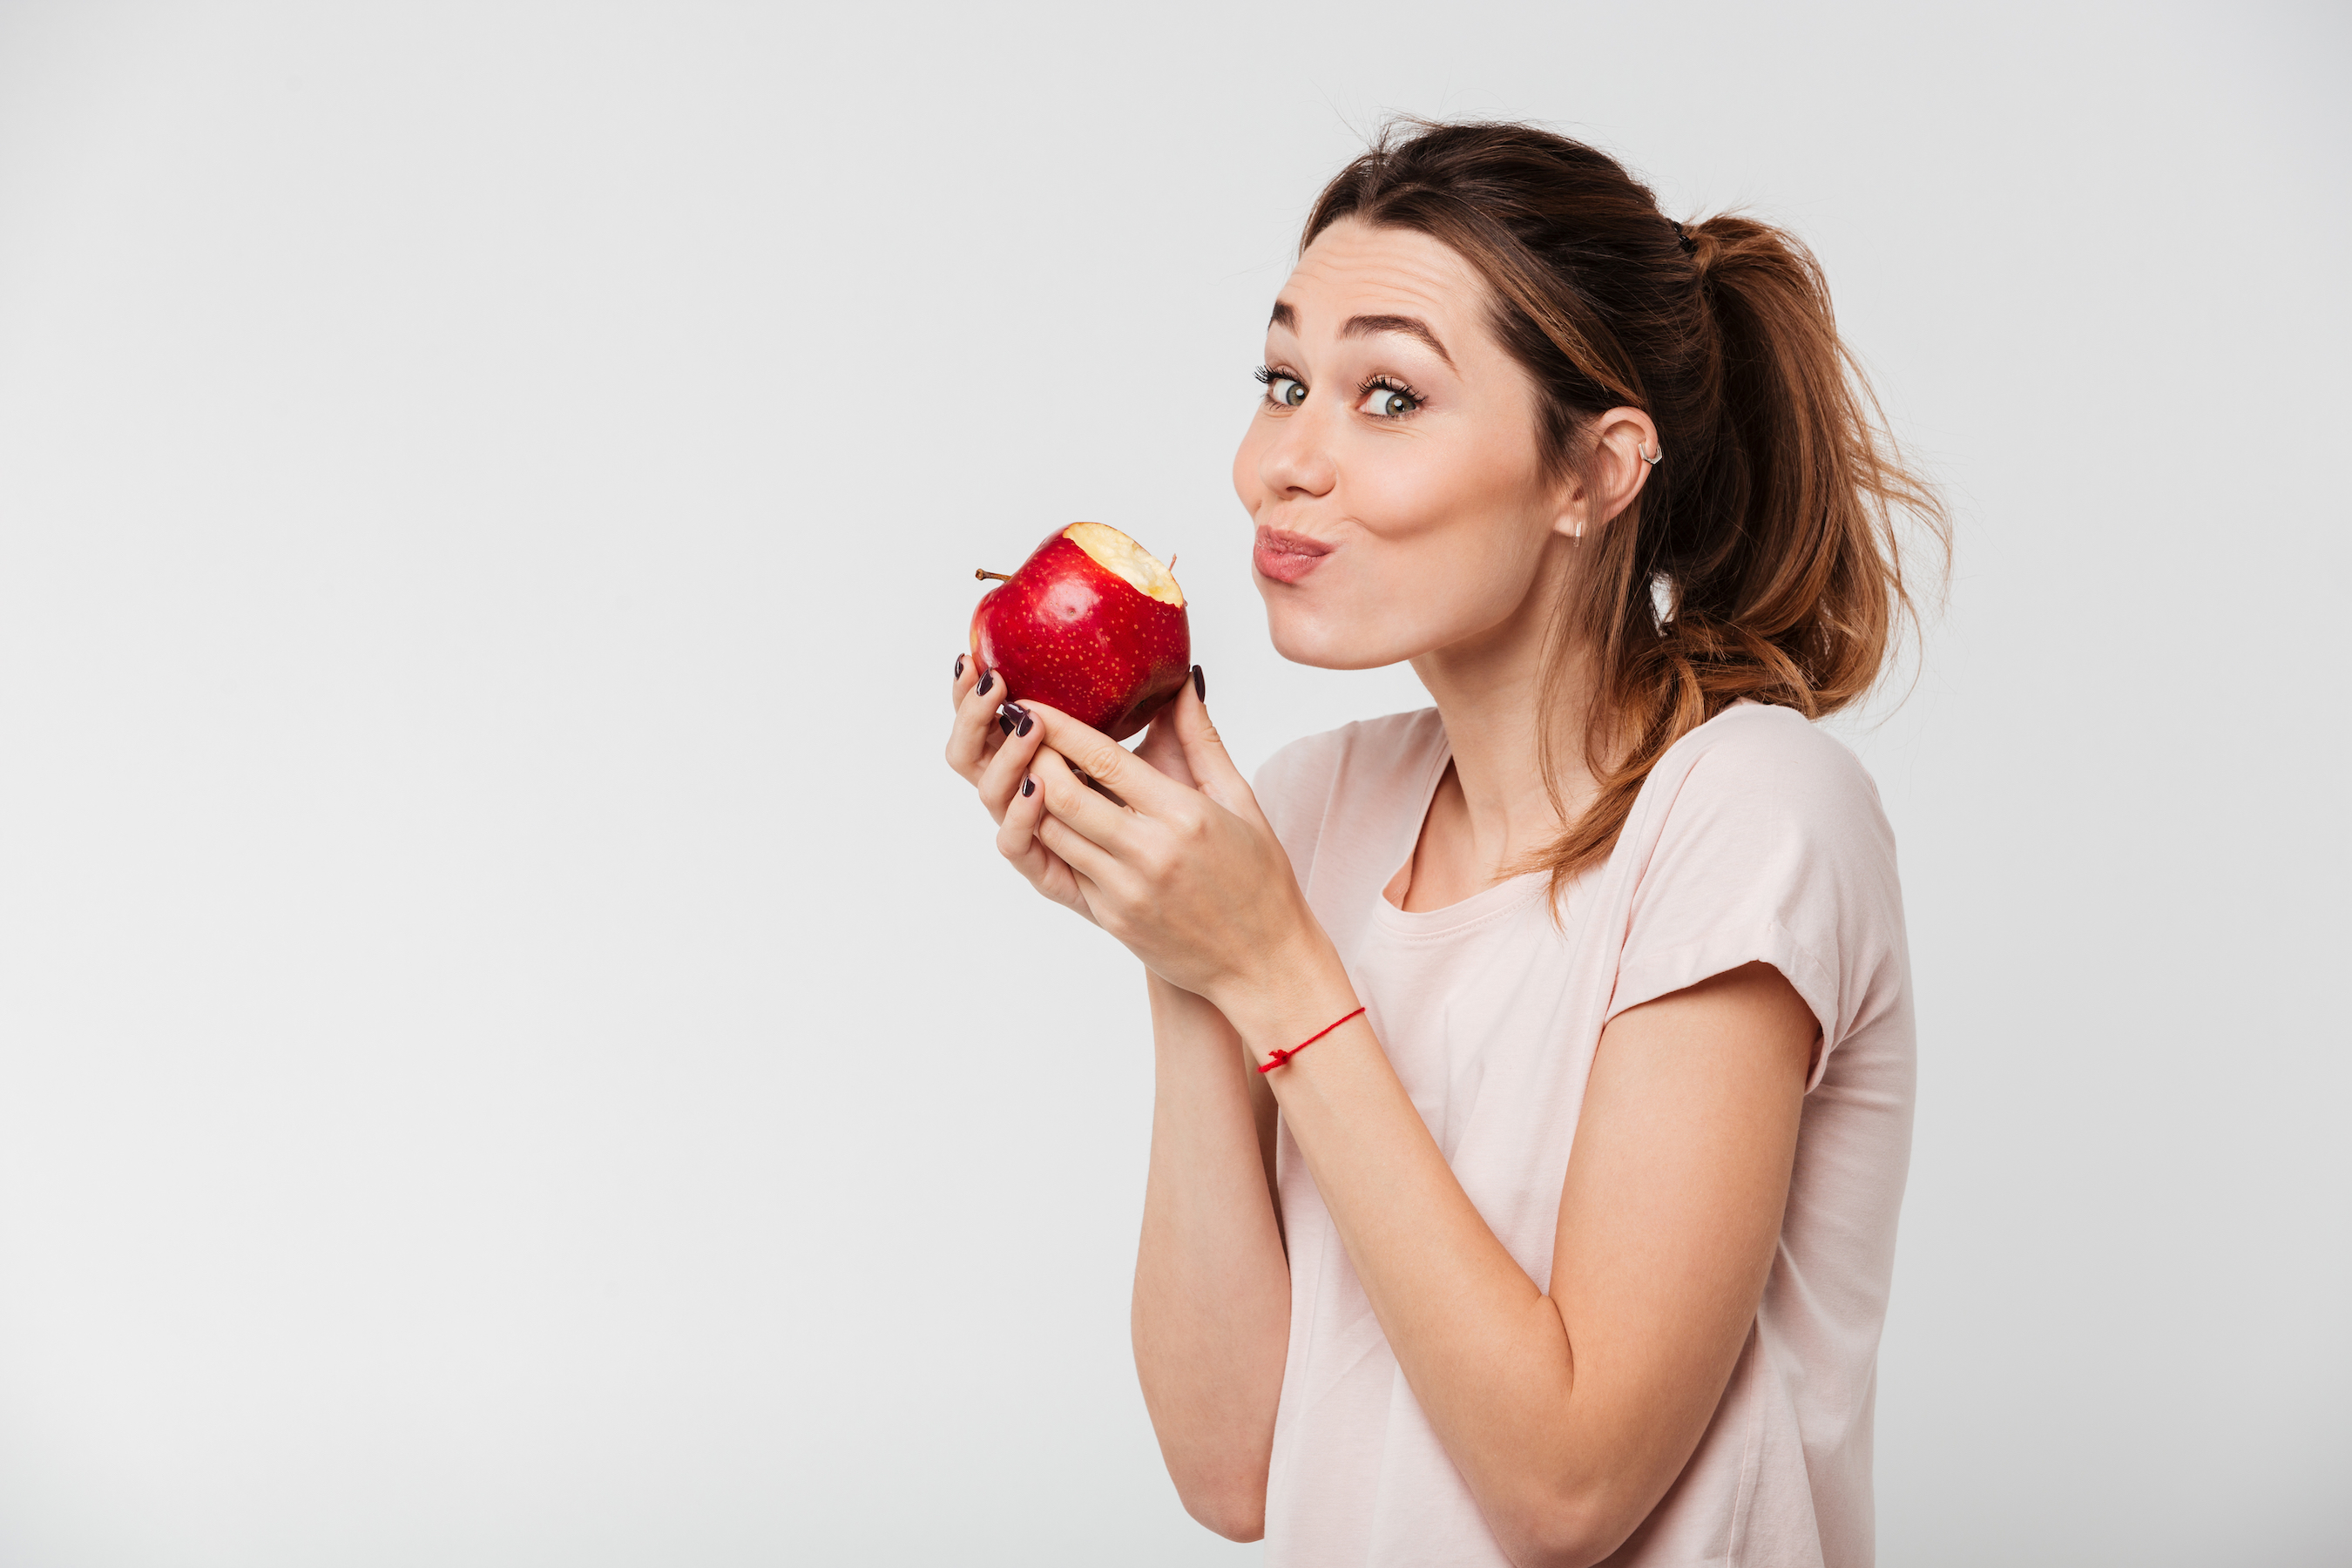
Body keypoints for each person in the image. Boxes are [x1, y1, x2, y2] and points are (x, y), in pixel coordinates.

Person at [943, 118, 1946, 1568]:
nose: (1282, 463)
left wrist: (1275, 970)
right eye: (1285, 380)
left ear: (1593, 476)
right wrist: (1179, 947)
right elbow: (1233, 1470)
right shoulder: (1312, 811)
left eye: (1389, 395)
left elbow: (1570, 1490)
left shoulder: (1751, 815)